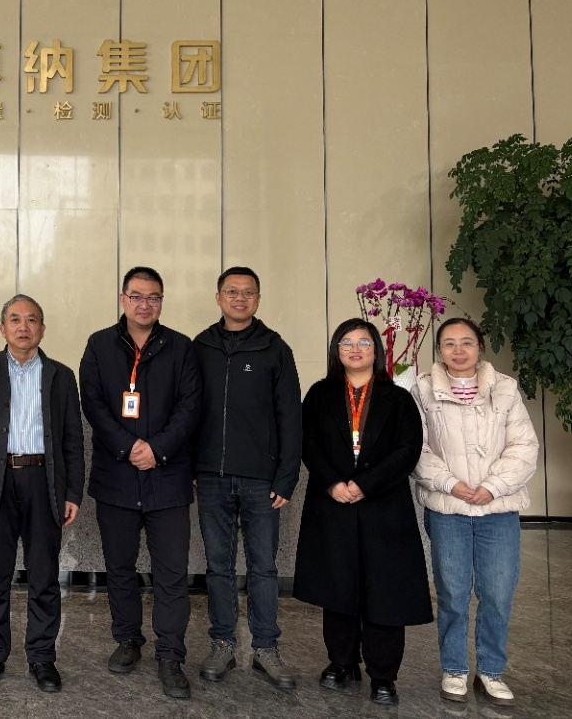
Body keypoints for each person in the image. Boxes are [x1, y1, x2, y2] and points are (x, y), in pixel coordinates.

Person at [293, 318, 433, 707]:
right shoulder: (319, 394)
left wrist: (364, 484)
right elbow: (307, 442)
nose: (355, 350)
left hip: (383, 505)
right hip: (333, 503)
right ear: (336, 350)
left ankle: (383, 674)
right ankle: (342, 662)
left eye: (364, 343)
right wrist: (333, 483)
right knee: (337, 586)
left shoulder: (398, 398)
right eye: (346, 343)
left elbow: (408, 449)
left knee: (384, 590)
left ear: (377, 350)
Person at [78, 266, 202, 700]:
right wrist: (129, 446)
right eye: (137, 296)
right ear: (122, 299)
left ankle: (170, 654)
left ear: (161, 302)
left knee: (171, 573)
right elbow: (93, 403)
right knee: (120, 568)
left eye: (153, 297)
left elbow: (190, 406)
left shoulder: (182, 347)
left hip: (168, 477)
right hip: (116, 476)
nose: (144, 304)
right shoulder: (98, 345)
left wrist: (157, 449)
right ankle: (128, 639)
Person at [0, 294, 85, 694]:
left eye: (31, 320)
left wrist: (73, 492)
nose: (23, 326)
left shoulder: (61, 375)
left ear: (42, 329)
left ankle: (42, 657)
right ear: (3, 328)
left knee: (44, 576)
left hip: (44, 482)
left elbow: (73, 440)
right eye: (15, 319)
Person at [411, 318, 538, 706]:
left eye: (466, 342)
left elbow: (524, 446)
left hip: (497, 509)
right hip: (448, 509)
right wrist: (450, 483)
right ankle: (454, 668)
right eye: (449, 343)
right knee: (452, 592)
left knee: (497, 593)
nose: (458, 350)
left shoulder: (505, 388)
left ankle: (491, 670)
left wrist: (493, 486)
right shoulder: (422, 389)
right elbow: (415, 447)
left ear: (480, 346)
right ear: (439, 351)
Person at [193, 266, 302, 689]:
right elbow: (187, 411)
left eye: (248, 292)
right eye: (232, 291)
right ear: (218, 297)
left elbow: (291, 418)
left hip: (261, 481)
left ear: (258, 299)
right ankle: (222, 644)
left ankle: (265, 649)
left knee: (264, 568)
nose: (240, 298)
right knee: (218, 567)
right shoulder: (200, 347)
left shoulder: (275, 348)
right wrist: (191, 467)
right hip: (211, 478)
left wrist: (286, 478)